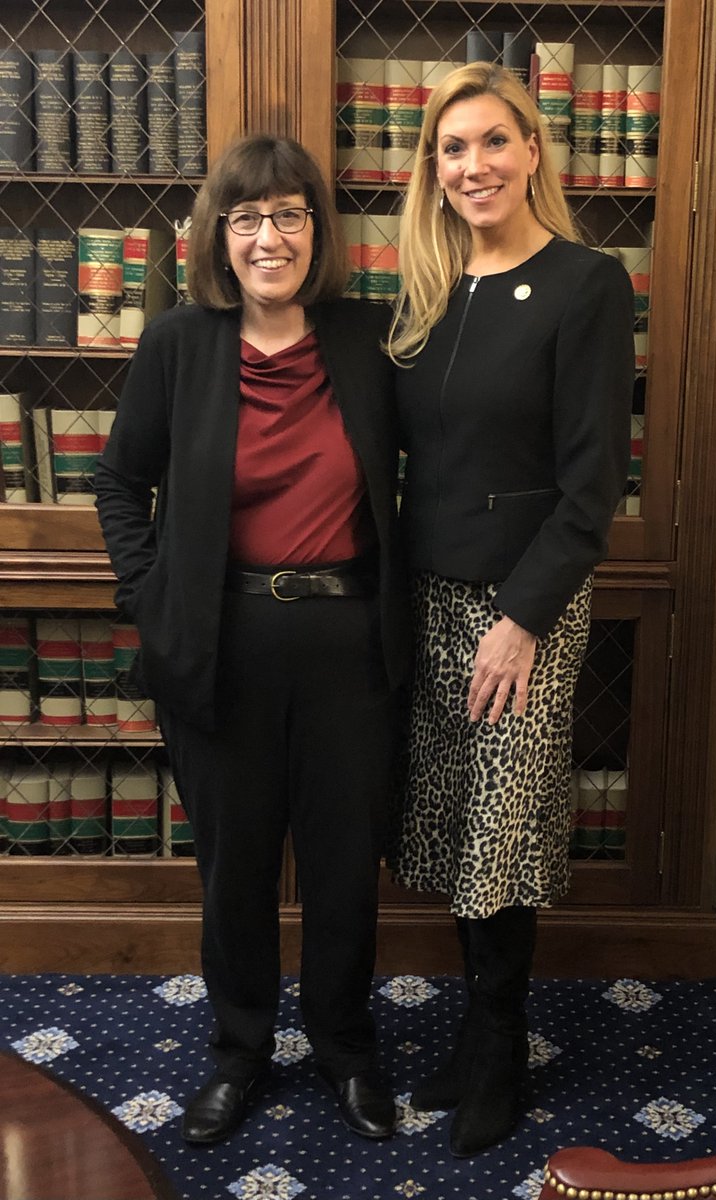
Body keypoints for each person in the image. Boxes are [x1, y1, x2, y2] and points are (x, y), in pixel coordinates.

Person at [94, 134, 409, 1146]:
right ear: (216, 238)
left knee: (341, 866)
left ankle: (345, 1048)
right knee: (233, 870)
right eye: (246, 218)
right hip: (219, 644)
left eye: (289, 215)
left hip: (349, 644)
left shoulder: (370, 341)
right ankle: (238, 1053)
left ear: (318, 231)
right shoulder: (180, 344)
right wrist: (153, 597)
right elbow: (119, 483)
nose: (268, 237)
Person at [387, 63, 635, 1158]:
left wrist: (523, 616)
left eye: (493, 141)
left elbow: (593, 492)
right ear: (432, 173)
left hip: (525, 608)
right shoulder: (430, 292)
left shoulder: (587, 283)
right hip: (433, 601)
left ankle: (500, 1049)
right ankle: (476, 1038)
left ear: (534, 149)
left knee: (501, 832)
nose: (473, 166)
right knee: (453, 825)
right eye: (452, 149)